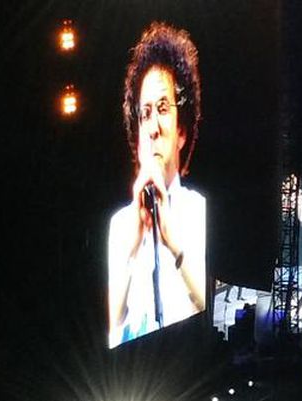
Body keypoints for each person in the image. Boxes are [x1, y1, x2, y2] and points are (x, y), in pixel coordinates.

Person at [108, 22, 205, 348]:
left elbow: (210, 306)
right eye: (144, 113)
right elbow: (113, 327)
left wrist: (173, 241)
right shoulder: (121, 225)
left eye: (163, 109)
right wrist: (131, 247)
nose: (152, 128)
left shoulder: (198, 209)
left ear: (182, 130)